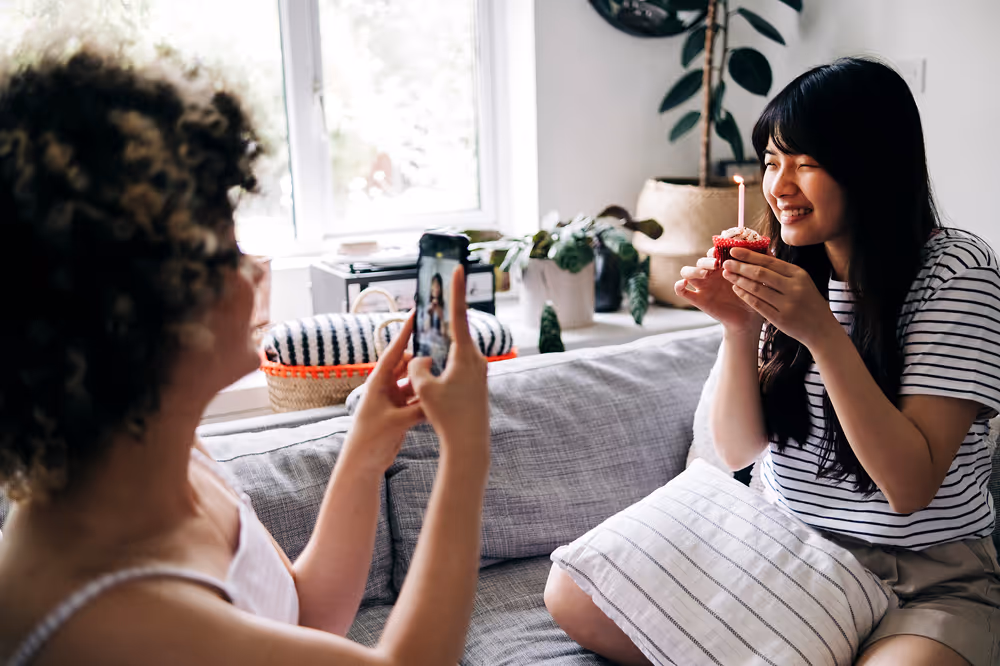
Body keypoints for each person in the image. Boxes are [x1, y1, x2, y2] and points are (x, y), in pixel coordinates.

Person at [0, 45, 491, 665]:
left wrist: (366, 447)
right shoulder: (103, 616)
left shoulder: (161, 450)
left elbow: (308, 612)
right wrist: (468, 451)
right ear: (139, 308)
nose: (254, 269)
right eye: (225, 249)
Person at [544, 57, 1000, 666]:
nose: (779, 186)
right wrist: (739, 326)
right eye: (771, 162)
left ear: (872, 167)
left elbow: (910, 486)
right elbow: (737, 452)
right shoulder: (789, 267)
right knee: (573, 589)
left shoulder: (956, 274)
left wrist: (823, 334)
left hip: (923, 578)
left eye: (806, 164)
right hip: (788, 551)